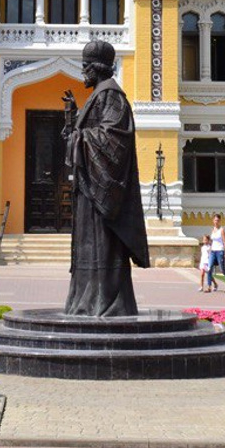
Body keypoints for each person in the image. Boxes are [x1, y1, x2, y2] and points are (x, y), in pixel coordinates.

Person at [61, 39, 150, 317]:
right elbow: (95, 133)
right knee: (89, 250)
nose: (83, 72)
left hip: (102, 197)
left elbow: (114, 140)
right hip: (90, 192)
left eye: (86, 66)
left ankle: (105, 304)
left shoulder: (111, 95)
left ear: (97, 68)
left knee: (102, 249)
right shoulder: (99, 95)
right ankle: (87, 302)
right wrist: (73, 119)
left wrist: (80, 136)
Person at [207, 215, 225, 294]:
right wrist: (210, 249)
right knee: (209, 268)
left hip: (220, 251)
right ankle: (209, 286)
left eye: (218, 220)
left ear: (220, 221)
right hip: (213, 251)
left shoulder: (221, 230)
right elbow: (212, 241)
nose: (216, 222)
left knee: (222, 269)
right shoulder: (213, 229)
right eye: (215, 220)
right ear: (213, 221)